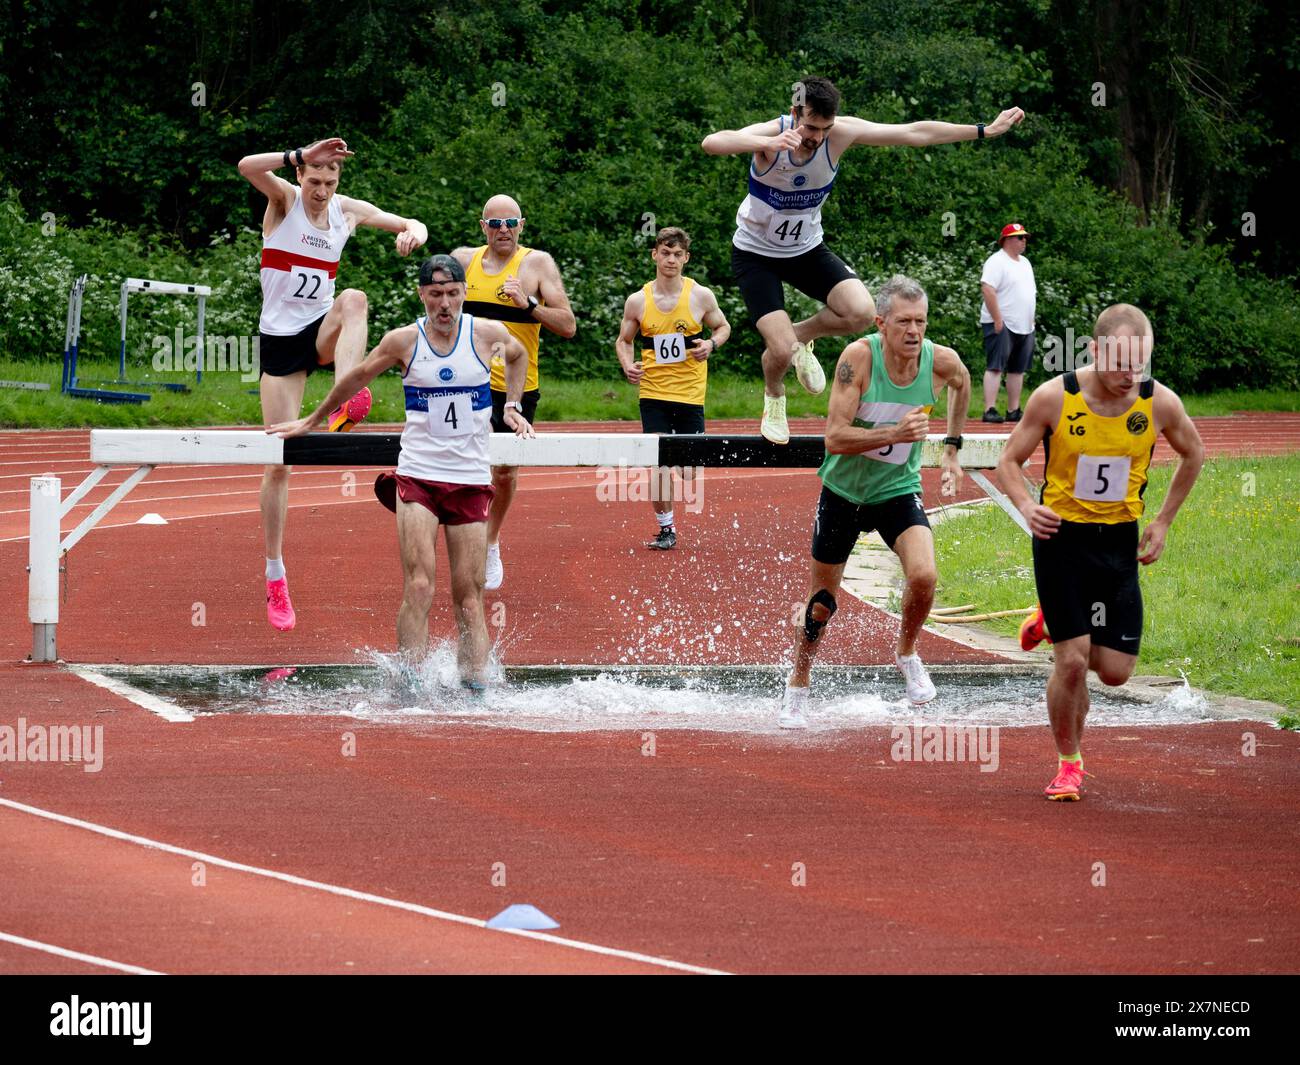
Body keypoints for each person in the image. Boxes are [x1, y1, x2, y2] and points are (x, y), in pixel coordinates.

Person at [701, 77, 1021, 445]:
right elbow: (713, 142)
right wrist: (765, 142)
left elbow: (914, 132)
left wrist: (984, 130)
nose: (817, 137)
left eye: (825, 128)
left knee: (861, 311)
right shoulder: (774, 135)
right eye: (810, 127)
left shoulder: (840, 134)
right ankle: (774, 395)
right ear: (795, 114)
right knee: (777, 349)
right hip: (756, 255)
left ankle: (799, 338)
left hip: (805, 250)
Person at [270, 255, 533, 686]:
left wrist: (513, 407)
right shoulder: (403, 341)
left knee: (469, 597)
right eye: (435, 295)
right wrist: (312, 419)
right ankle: (410, 685)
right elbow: (355, 377)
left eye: (452, 294)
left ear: (464, 293)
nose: (445, 305)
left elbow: (519, 354)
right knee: (419, 586)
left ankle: (476, 688)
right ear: (422, 295)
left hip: (468, 479)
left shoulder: (486, 334)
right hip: (418, 479)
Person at [996, 304, 1204, 801]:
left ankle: (1052, 623)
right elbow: (1009, 460)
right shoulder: (1055, 398)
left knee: (1114, 673)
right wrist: (1027, 505)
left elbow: (1194, 452)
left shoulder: (1158, 404)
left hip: (1117, 544)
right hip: (1061, 541)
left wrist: (1163, 521)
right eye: (1119, 363)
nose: (1129, 375)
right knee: (1071, 662)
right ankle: (1069, 763)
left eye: (1140, 363)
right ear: (1094, 351)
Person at [237, 136, 428, 631]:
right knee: (278, 462)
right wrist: (297, 156)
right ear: (302, 176)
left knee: (356, 299)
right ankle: (275, 573)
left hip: (319, 330)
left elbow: (410, 220)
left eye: (329, 181)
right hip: (280, 341)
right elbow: (245, 166)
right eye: (315, 181)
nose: (321, 191)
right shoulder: (284, 201)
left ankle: (347, 393)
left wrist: (414, 235)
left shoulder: (347, 211)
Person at [781, 275, 970, 728]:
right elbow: (835, 437)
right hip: (844, 493)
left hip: (895, 491)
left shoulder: (941, 362)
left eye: (921, 321)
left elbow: (963, 385)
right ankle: (797, 685)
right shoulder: (858, 359)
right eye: (904, 321)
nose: (914, 331)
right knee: (821, 604)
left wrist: (952, 448)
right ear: (881, 323)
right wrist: (895, 434)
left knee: (924, 576)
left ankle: (906, 654)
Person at [451, 195, 576, 590]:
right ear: (482, 225)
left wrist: (530, 304)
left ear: (521, 225)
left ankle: (490, 542)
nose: (502, 229)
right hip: (466, 384)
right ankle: (466, 541)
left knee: (503, 472)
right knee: (466, 469)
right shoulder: (462, 260)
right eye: (494, 222)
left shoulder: (537, 264)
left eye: (510, 222)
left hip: (517, 387)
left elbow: (568, 325)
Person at [615, 227, 731, 549]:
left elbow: (723, 327)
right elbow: (624, 341)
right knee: (659, 460)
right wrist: (627, 365)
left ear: (686, 258)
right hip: (653, 393)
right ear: (655, 255)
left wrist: (710, 344)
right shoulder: (638, 301)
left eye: (678, 254)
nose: (671, 259)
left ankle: (680, 464)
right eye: (665, 253)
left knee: (690, 471)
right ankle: (667, 529)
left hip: (690, 394)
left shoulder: (700, 296)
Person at [978, 222, 1037, 423]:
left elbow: (1029, 293)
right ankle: (990, 409)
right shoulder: (997, 261)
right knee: (996, 366)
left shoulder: (1025, 263)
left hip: (1024, 325)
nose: (1024, 241)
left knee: (1017, 369)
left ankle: (1014, 409)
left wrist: (1032, 319)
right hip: (1002, 322)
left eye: (1025, 238)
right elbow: (987, 288)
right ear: (1008, 240)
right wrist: (997, 319)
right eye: (1020, 237)